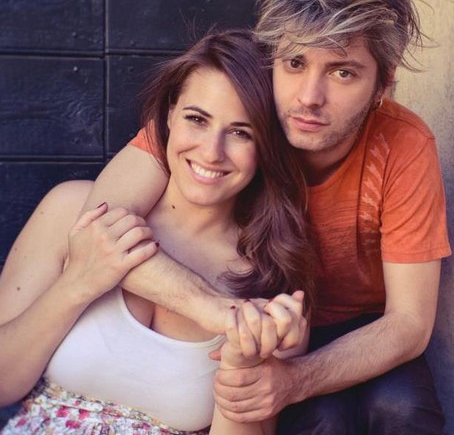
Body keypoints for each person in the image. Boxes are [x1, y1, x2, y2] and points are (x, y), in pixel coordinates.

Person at [58, 0, 452, 434]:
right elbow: (99, 232)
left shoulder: (404, 144)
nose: (309, 97)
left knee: (401, 409)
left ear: (382, 86)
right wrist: (234, 317)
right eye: (294, 62)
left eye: (342, 73)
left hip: (360, 327)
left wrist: (296, 380)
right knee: (322, 420)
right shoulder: (223, 119)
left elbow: (409, 324)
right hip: (251, 317)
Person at [0, 29, 316, 435]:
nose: (211, 152)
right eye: (197, 119)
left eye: (241, 132)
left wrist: (241, 365)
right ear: (168, 116)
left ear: (267, 146)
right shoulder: (70, 210)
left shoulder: (272, 284)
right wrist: (77, 283)